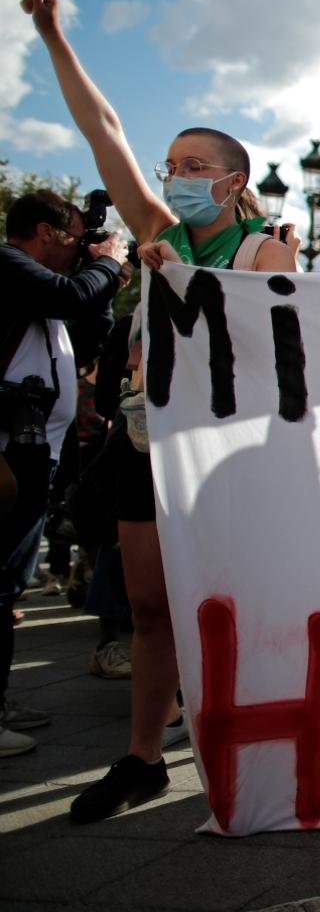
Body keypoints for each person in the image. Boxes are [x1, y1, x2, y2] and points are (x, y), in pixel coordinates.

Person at [22, 0, 299, 820]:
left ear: (233, 182)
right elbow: (100, 128)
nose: (174, 178)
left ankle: (256, 743)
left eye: (194, 168)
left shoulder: (263, 254)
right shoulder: (156, 230)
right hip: (150, 445)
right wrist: (53, 35)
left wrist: (181, 282)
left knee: (232, 601)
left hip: (230, 453)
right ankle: (143, 754)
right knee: (148, 605)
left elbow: (278, 358)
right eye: (170, 166)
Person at [0, 189, 126, 758]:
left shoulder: (44, 297)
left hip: (33, 453)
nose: (81, 247)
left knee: (7, 585)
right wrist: (106, 262)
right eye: (74, 236)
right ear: (47, 231)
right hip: (6, 452)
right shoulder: (8, 265)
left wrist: (104, 282)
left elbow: (91, 328)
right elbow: (72, 293)